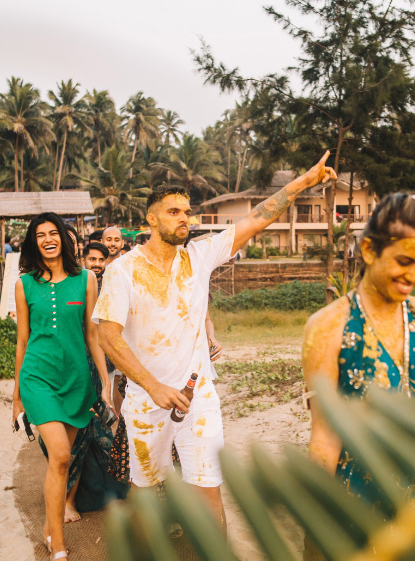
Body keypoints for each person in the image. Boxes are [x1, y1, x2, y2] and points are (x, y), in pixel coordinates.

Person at [94, 151, 337, 532]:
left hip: (198, 397)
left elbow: (259, 217)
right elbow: (107, 335)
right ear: (151, 218)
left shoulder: (199, 255)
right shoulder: (123, 271)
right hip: (145, 403)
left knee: (209, 489)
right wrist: (153, 387)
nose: (184, 219)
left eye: (187, 212)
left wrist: (303, 182)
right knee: (144, 497)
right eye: (173, 211)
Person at [302, 193, 415, 502]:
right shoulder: (328, 327)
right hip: (362, 508)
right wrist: (317, 539)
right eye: (404, 261)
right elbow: (324, 438)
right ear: (370, 250)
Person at [12, 212, 114, 560]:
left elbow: (93, 334)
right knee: (59, 454)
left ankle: (48, 527)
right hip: (38, 378)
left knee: (63, 463)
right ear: (33, 242)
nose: (47, 239)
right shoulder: (24, 284)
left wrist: (103, 383)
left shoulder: (86, 279)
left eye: (53, 232)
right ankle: (58, 545)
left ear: (64, 239)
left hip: (76, 381)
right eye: (39, 235)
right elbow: (22, 341)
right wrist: (16, 399)